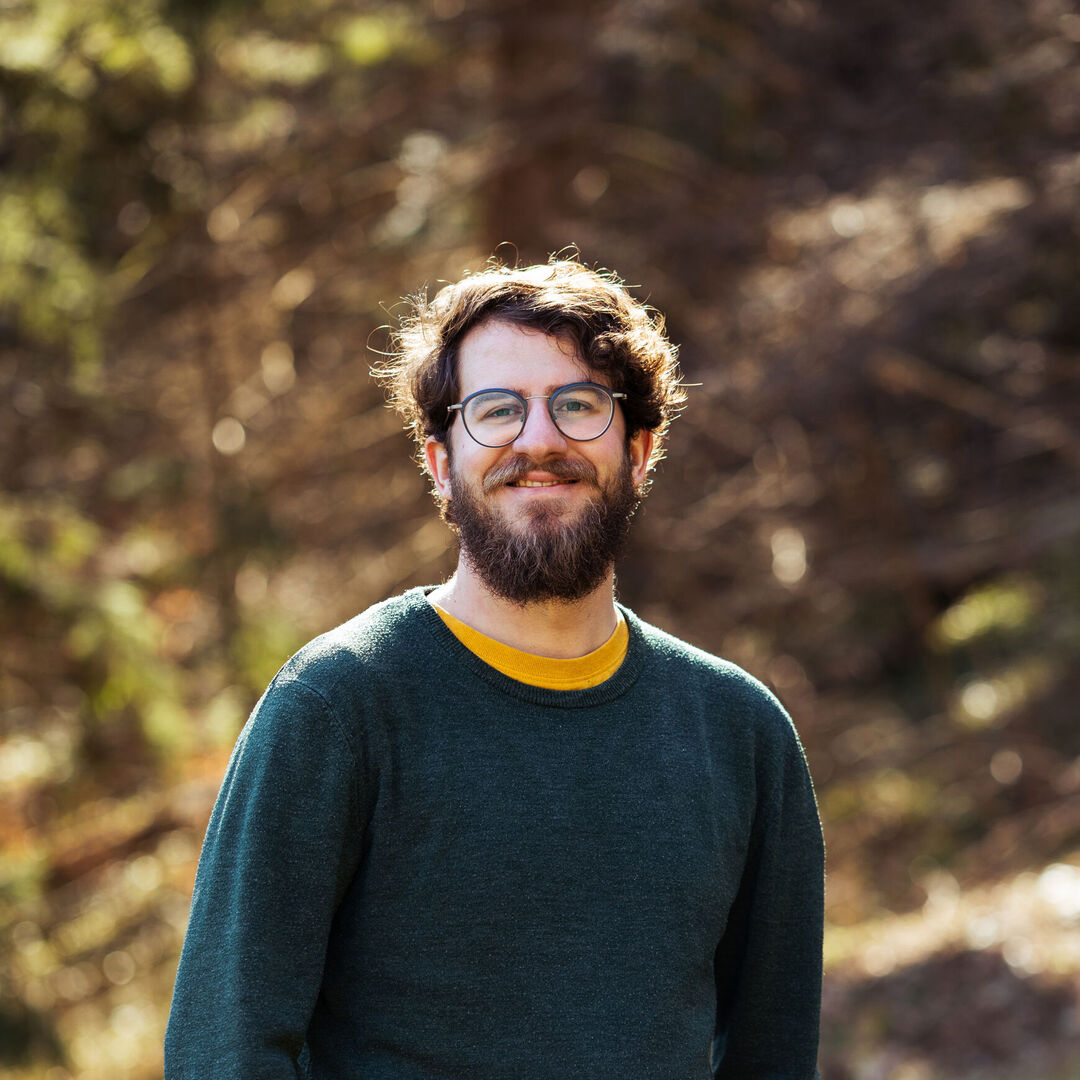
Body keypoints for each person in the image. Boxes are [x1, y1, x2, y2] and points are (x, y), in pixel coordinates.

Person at [164, 258, 825, 1079]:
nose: (538, 439)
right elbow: (224, 1049)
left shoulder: (741, 734)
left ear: (640, 450)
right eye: (496, 410)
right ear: (441, 463)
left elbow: (775, 1056)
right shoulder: (337, 707)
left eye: (579, 405)